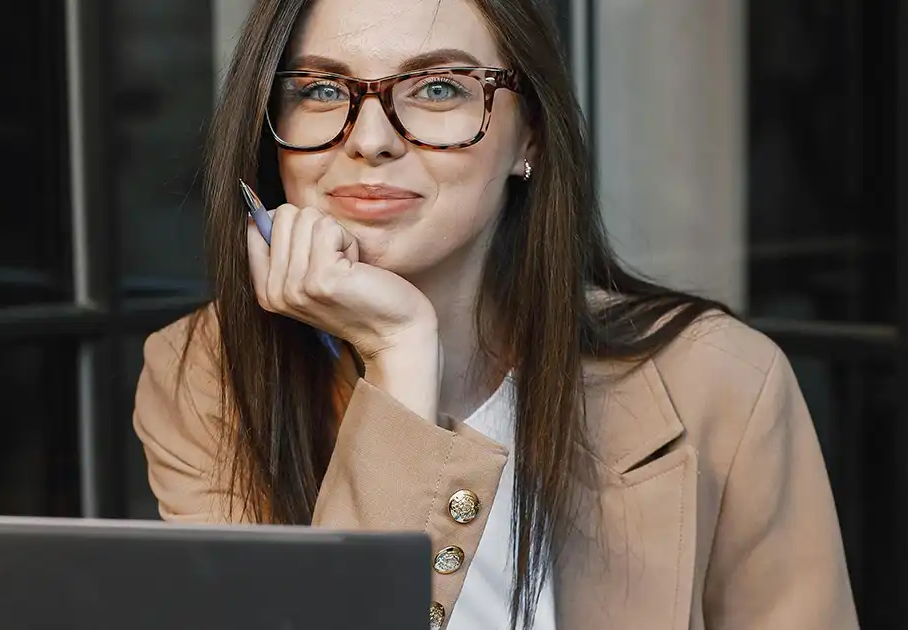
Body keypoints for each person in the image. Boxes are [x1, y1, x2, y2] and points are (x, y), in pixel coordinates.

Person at [132, 0, 860, 628]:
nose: (371, 139)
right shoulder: (202, 374)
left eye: (440, 88)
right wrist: (400, 353)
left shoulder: (721, 381)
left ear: (531, 138)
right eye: (322, 89)